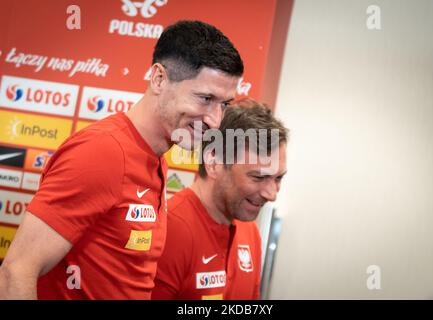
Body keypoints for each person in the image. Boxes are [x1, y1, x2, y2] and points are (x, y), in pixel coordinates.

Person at [0, 20, 243, 300]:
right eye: (205, 98)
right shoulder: (103, 152)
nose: (215, 120)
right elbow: (16, 271)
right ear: (159, 79)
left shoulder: (155, 156)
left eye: (224, 104)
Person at [152, 99, 288, 300]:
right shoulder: (168, 231)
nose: (272, 194)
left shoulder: (250, 230)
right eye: (258, 177)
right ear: (214, 162)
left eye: (278, 178)